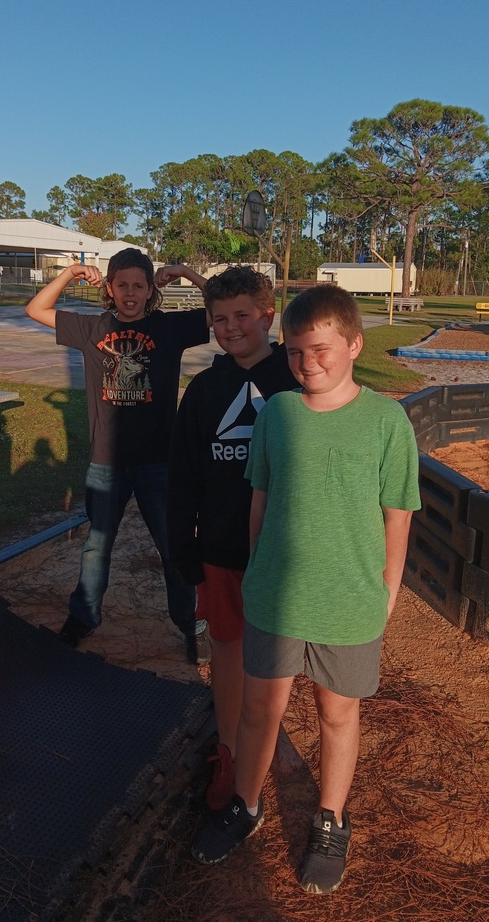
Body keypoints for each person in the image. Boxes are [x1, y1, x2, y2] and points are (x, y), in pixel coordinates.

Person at [191, 286, 420, 895]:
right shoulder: (279, 414)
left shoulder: (386, 421)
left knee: (336, 713)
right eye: (294, 352)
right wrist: (261, 567)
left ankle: (331, 818)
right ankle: (245, 804)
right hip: (276, 596)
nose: (306, 363)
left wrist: (388, 591)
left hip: (348, 599)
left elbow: (397, 514)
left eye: (319, 349)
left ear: (354, 344)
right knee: (261, 709)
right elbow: (259, 503)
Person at [25, 248, 211, 663]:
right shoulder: (93, 328)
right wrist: (71, 272)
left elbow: (222, 307)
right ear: (109, 288)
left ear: (150, 291)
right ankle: (84, 617)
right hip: (106, 462)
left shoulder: (170, 329)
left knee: (173, 546)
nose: (130, 293)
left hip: (159, 462)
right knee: (96, 546)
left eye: (138, 286)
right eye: (122, 284)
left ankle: (190, 623)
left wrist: (184, 271)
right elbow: (36, 308)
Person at [167, 266, 295, 809]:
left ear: (268, 315)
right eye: (219, 318)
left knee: (282, 657)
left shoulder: (297, 379)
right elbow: (183, 477)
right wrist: (184, 549)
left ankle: (268, 743)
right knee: (227, 649)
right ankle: (229, 749)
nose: (230, 327)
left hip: (288, 551)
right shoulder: (204, 390)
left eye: (242, 315)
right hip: (222, 548)